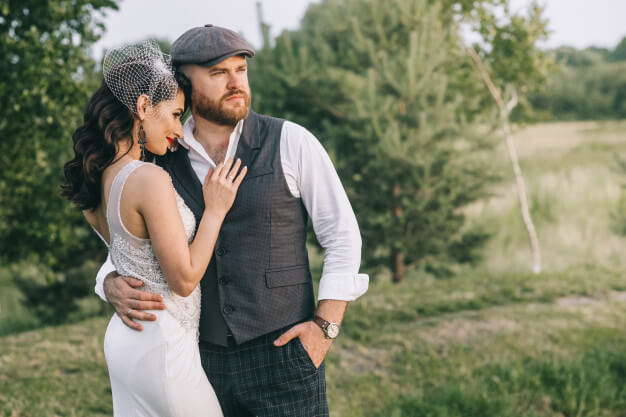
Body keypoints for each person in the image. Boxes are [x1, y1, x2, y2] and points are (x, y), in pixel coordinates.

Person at [96, 25, 369, 416]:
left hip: (285, 357)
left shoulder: (290, 141)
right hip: (201, 361)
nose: (236, 82)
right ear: (184, 84)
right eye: (218, 73)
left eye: (240, 69)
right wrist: (108, 281)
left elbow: (342, 236)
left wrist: (324, 329)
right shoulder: (159, 157)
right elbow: (130, 238)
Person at [61, 40, 248, 416]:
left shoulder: (97, 182)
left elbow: (126, 255)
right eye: (176, 114)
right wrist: (215, 211)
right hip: (163, 346)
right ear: (144, 106)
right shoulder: (148, 178)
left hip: (127, 339)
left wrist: (108, 281)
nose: (179, 129)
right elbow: (184, 279)